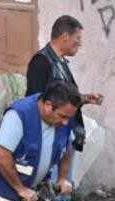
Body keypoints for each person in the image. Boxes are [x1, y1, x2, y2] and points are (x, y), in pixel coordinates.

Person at [25, 15, 103, 153]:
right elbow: (34, 102)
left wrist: (83, 98)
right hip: (49, 140)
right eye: (78, 38)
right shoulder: (41, 62)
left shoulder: (60, 61)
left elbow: (61, 97)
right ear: (66, 36)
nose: (80, 43)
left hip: (62, 137)